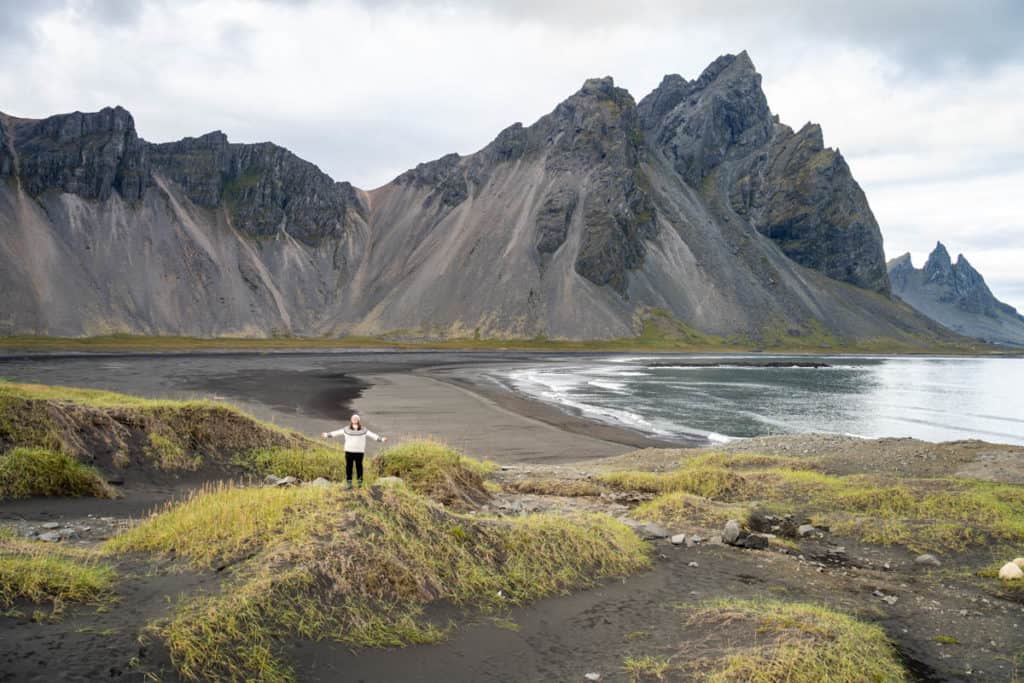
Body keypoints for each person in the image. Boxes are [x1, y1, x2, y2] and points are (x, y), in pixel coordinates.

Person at [321, 414, 387, 488]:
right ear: (351, 420)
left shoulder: (364, 430)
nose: (355, 419)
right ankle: (349, 483)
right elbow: (336, 433)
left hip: (359, 452)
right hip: (349, 451)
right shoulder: (346, 429)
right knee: (349, 467)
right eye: (353, 418)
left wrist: (381, 439)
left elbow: (373, 435)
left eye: (356, 418)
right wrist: (326, 434)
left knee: (359, 467)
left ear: (358, 420)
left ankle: (360, 482)